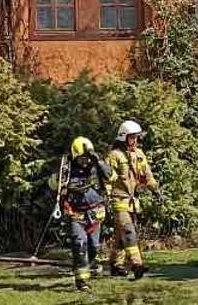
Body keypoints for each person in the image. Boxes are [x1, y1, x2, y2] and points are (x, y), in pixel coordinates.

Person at [104, 119, 158, 279]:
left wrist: (154, 188)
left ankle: (116, 265)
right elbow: (107, 178)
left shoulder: (139, 155)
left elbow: (147, 174)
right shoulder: (114, 156)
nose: (135, 140)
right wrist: (106, 198)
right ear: (123, 137)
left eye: (137, 137)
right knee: (128, 231)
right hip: (118, 199)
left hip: (133, 201)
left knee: (121, 236)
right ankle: (137, 264)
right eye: (132, 137)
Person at [58, 136, 112, 292]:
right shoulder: (67, 168)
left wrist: (98, 161)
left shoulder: (97, 165)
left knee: (94, 246)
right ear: (75, 156)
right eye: (82, 158)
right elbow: (55, 184)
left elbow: (111, 176)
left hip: (95, 213)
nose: (85, 161)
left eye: (87, 157)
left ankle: (91, 265)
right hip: (76, 214)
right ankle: (82, 282)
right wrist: (65, 184)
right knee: (79, 244)